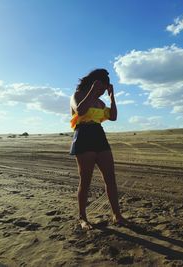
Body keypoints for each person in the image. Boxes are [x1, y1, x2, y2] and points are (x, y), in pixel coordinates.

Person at [69, 68, 125, 229]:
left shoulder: (101, 102)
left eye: (103, 90)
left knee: (110, 178)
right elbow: (80, 110)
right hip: (83, 136)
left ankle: (117, 215)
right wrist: (93, 91)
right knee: (85, 181)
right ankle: (83, 218)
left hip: (99, 136)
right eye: (100, 88)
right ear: (93, 84)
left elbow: (113, 117)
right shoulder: (77, 95)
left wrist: (112, 97)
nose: (101, 92)